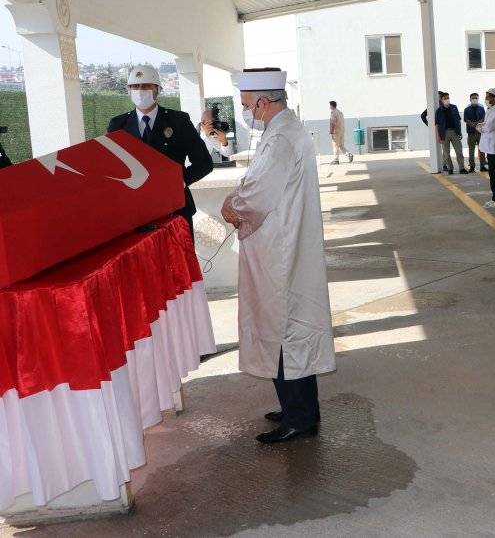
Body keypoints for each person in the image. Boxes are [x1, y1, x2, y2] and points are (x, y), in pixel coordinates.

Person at [221, 67, 336, 444]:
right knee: (291, 330)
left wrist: (232, 205)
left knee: (282, 330)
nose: (245, 112)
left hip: (280, 252)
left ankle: (300, 417)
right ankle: (298, 408)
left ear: (262, 101)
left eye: (246, 105)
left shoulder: (280, 139)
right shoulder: (286, 130)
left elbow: (256, 197)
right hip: (285, 245)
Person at [108, 65, 212, 238]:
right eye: (135, 87)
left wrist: (178, 181)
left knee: (180, 263)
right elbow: (112, 169)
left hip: (175, 209)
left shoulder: (179, 121)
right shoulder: (118, 125)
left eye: (147, 86)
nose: (140, 91)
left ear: (158, 89)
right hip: (135, 215)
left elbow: (204, 163)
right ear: (129, 90)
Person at [435, 92, 466, 175]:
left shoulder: (454, 107)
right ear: (441, 100)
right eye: (445, 98)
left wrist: (460, 132)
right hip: (444, 133)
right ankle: (450, 168)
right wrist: (438, 136)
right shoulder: (439, 111)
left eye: (448, 98)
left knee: (459, 151)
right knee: (446, 153)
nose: (447, 100)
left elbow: (458, 120)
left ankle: (462, 168)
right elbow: (437, 124)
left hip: (455, 132)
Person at [464, 92, 486, 172]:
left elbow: (484, 118)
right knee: (471, 150)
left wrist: (475, 123)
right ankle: (472, 166)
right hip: (471, 132)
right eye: (473, 98)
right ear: (470, 99)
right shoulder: (467, 109)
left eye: (476, 98)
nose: (474, 99)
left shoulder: (481, 108)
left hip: (480, 132)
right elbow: (465, 119)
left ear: (478, 99)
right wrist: (471, 124)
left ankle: (482, 166)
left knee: (482, 149)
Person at [328, 101, 354, 165]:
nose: (329, 106)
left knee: (335, 145)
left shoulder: (333, 113)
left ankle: (336, 160)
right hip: (342, 131)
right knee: (341, 145)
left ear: (332, 106)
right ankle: (349, 155)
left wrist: (331, 131)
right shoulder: (340, 112)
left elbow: (333, 123)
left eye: (330, 105)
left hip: (336, 132)